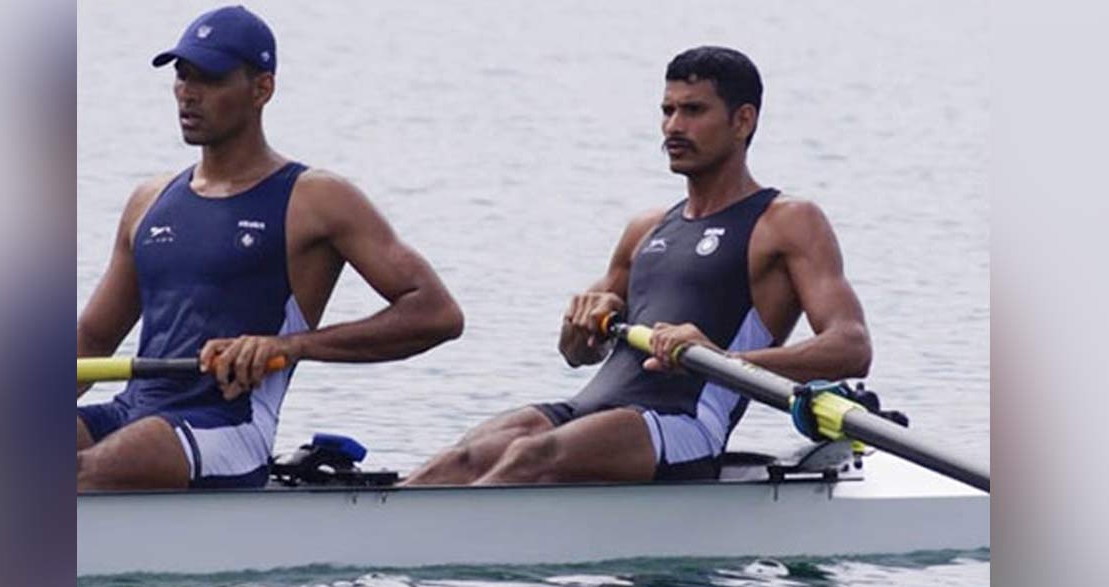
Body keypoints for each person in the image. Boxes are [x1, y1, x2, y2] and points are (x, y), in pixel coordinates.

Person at [405, 46, 870, 486]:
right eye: (668, 110)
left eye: (693, 110)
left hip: (681, 424)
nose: (673, 126)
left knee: (531, 456)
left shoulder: (787, 222)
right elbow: (575, 353)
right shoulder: (646, 229)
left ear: (742, 120)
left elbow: (851, 347)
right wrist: (581, 322)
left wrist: (723, 360)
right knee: (461, 460)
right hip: (590, 409)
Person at [77, 5, 463, 490]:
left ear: (262, 89)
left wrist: (290, 347)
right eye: (182, 75)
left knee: (74, 475)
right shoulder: (148, 202)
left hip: (228, 425)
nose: (188, 93)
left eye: (210, 79)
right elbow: (93, 338)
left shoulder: (316, 200)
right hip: (131, 411)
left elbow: (436, 314)